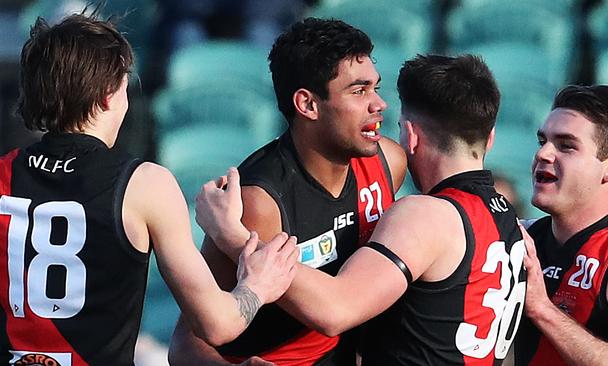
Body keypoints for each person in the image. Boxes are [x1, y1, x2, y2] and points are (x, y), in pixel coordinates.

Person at [0, 11, 298, 365]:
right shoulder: (143, 184)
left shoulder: (5, 172)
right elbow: (217, 324)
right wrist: (256, 286)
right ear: (110, 95)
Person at [197, 54, 527, 365]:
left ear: (411, 137)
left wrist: (234, 237)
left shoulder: (426, 214)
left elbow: (336, 310)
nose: (377, 106)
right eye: (361, 90)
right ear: (491, 138)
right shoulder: (510, 221)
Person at [168, 17, 407, 365]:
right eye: (358, 91)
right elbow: (185, 346)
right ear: (307, 104)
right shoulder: (258, 203)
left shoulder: (389, 161)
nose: (379, 104)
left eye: (375, 87)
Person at [515, 85, 608, 365]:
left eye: (566, 146)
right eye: (543, 141)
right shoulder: (520, 236)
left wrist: (541, 308)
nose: (543, 154)